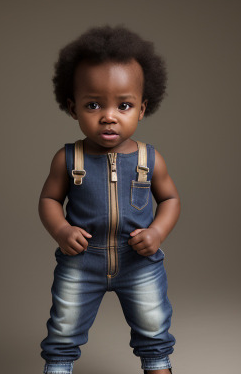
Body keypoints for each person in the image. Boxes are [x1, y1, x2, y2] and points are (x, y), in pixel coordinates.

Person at [39, 25, 181, 374]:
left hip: (138, 263)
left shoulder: (150, 159)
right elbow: (48, 199)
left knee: (153, 326)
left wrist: (158, 233)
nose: (109, 115)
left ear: (142, 108)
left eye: (124, 105)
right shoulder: (68, 159)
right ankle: (58, 366)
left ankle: (158, 366)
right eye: (93, 104)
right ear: (73, 108)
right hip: (81, 262)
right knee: (63, 328)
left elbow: (171, 199)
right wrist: (60, 230)